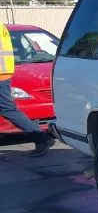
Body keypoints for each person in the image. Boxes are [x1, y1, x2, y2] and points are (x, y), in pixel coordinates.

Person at [0, 22, 55, 156]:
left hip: (1, 74)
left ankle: (41, 138)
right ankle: (41, 137)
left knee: (7, 109)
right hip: (4, 72)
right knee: (8, 108)